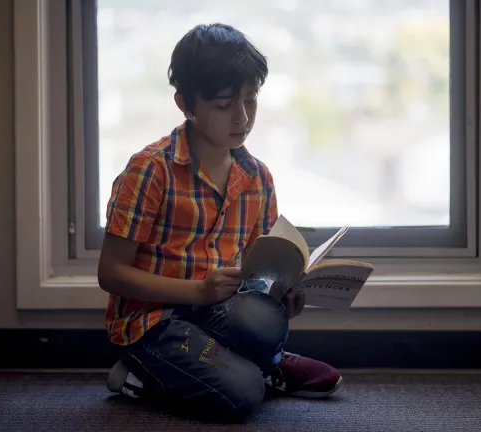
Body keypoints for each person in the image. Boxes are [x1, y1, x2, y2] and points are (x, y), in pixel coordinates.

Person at [97, 23, 342, 422]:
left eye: (250, 101)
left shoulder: (257, 177)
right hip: (154, 323)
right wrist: (197, 291)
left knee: (267, 319)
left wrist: (283, 295)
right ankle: (138, 376)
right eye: (224, 106)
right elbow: (111, 273)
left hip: (218, 314)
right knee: (243, 395)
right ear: (185, 104)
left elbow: (254, 271)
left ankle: (259, 361)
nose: (242, 118)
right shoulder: (150, 170)